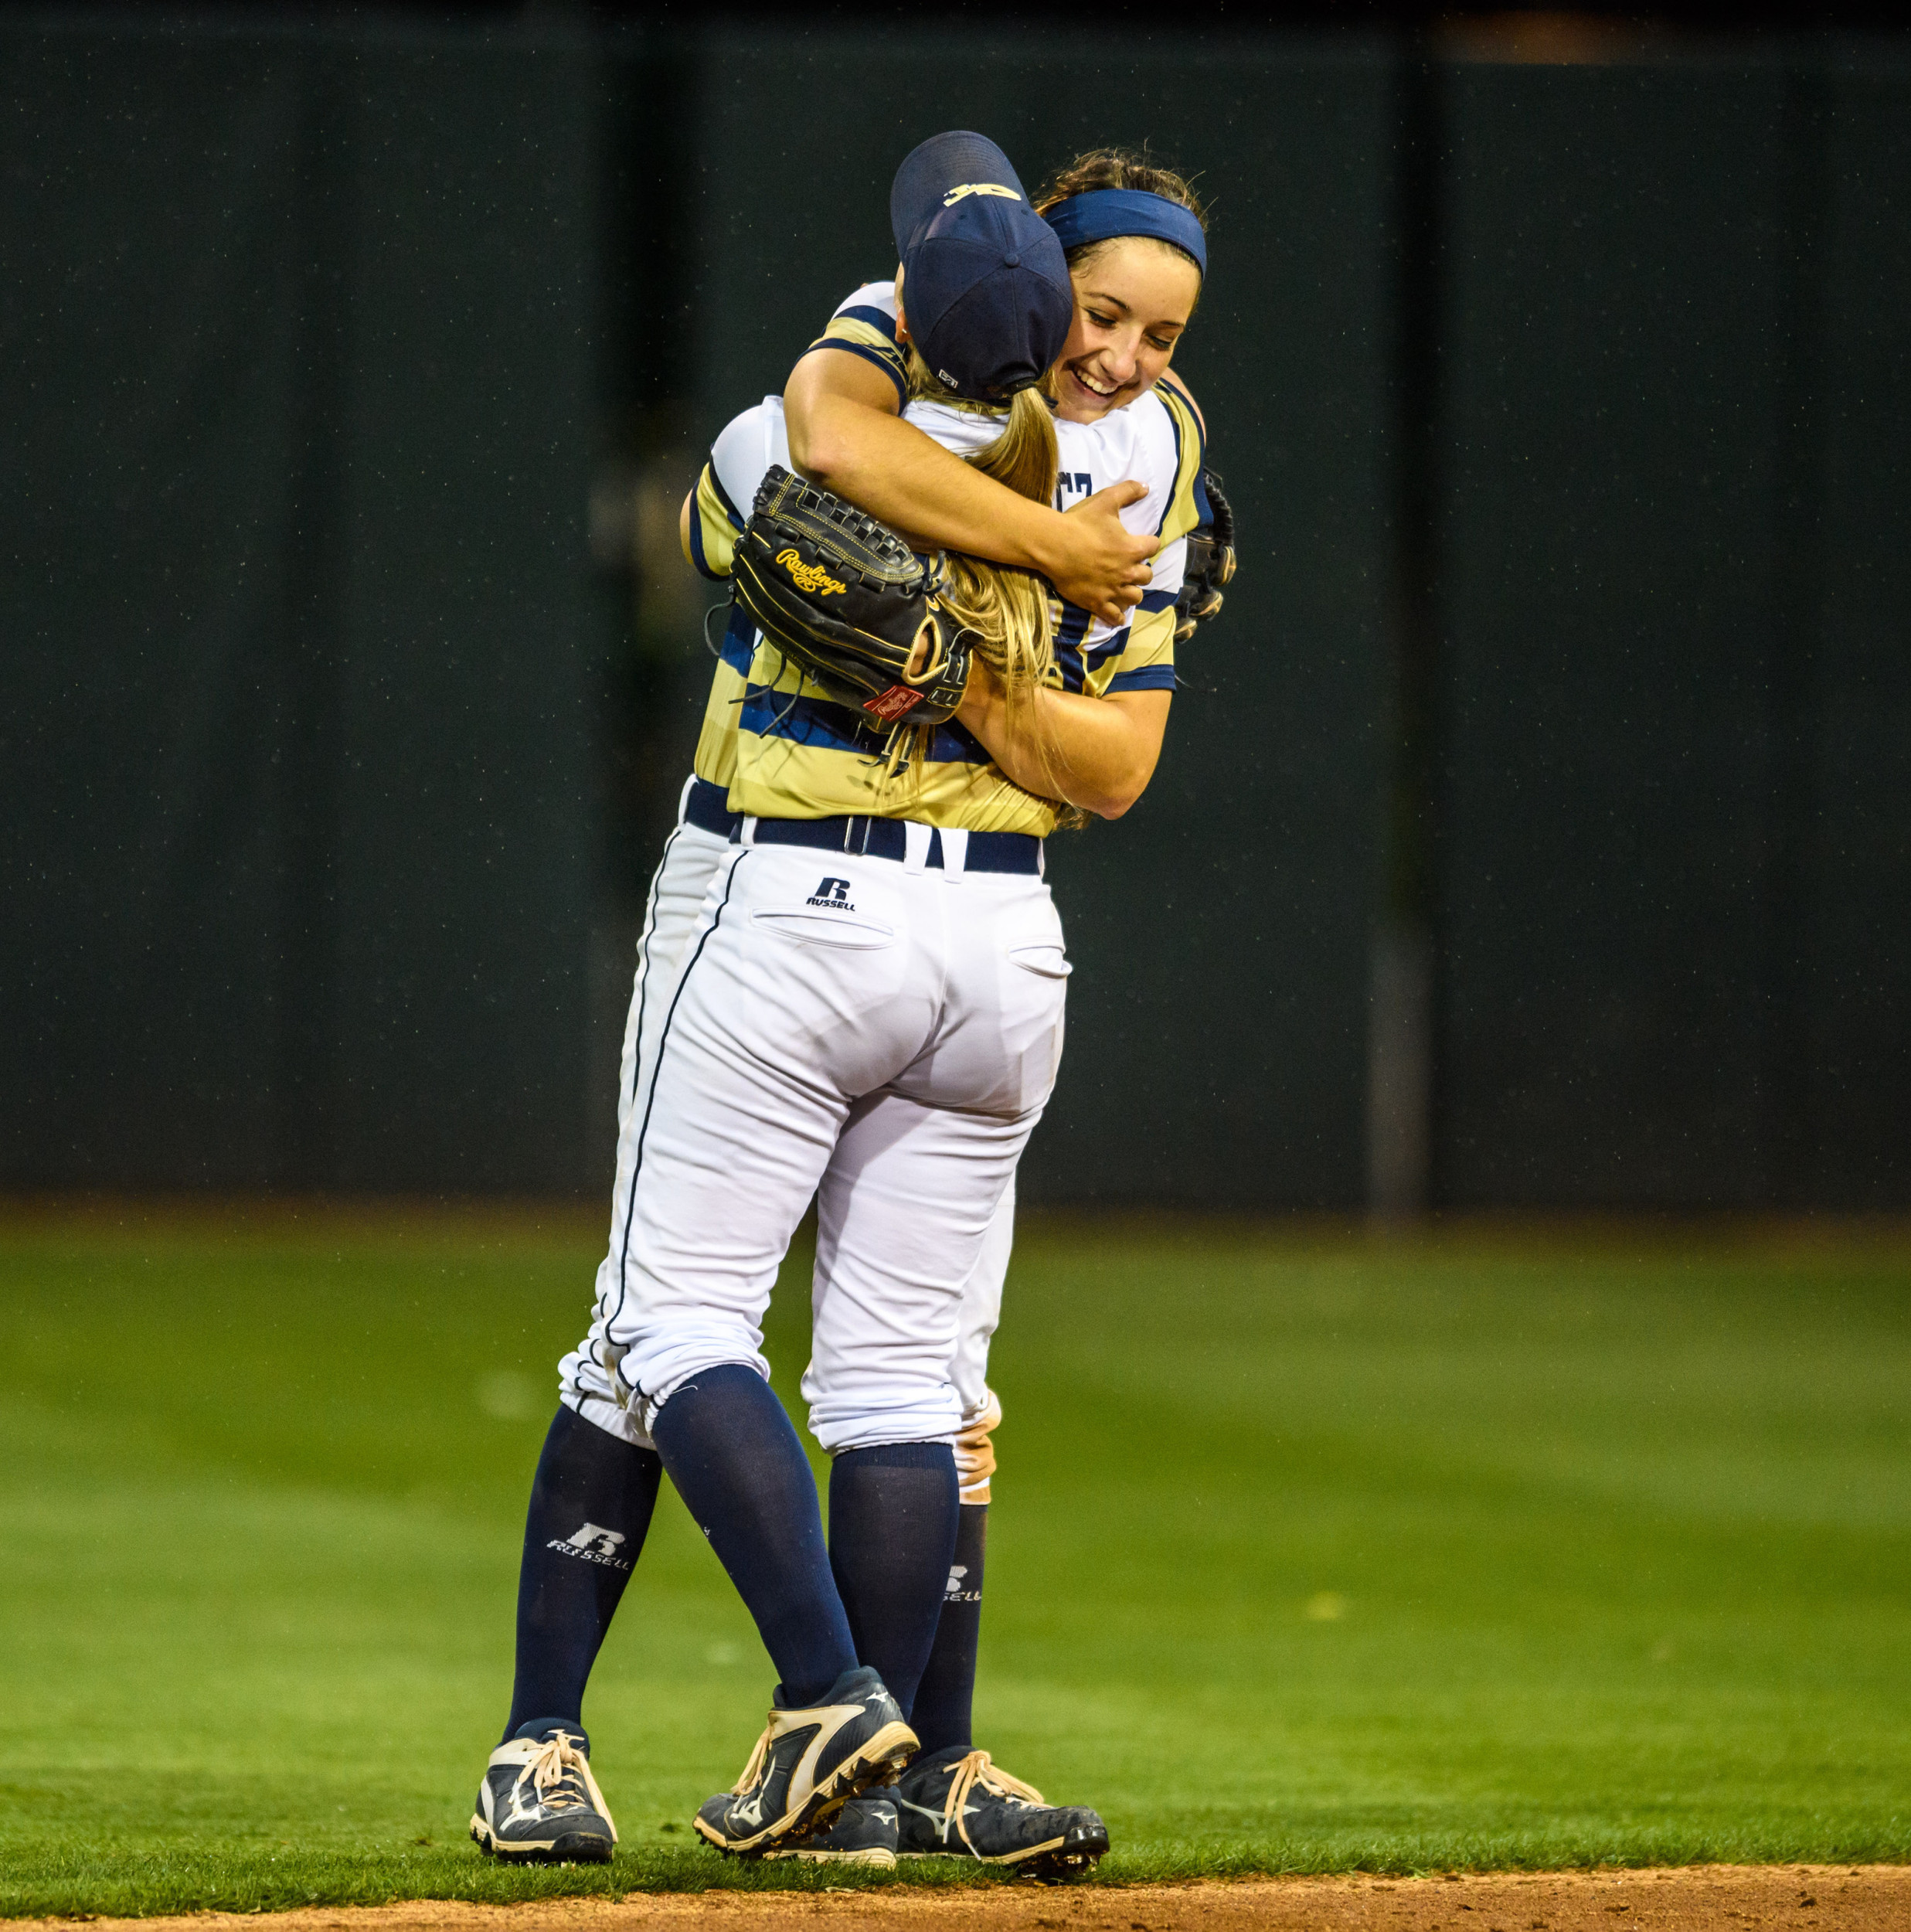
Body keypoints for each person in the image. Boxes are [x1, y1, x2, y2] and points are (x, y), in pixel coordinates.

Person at [468, 133, 1214, 1880]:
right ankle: (907, 1777)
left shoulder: (769, 438)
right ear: (1049, 311)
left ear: (893, 308)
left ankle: (796, 1703)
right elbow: (1111, 763)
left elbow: (804, 441)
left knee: (659, 1325)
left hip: (787, 898)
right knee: (908, 1381)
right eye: (1100, 315)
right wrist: (1020, 624)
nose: (1126, 357)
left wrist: (937, 668)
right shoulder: (1153, 466)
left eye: (1157, 330)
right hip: (1003, 955)